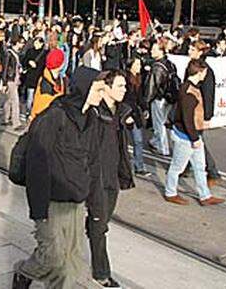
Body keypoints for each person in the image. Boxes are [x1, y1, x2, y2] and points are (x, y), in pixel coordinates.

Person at [13, 67, 106, 289]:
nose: (102, 94)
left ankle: (31, 273)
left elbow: (92, 163)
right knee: (54, 258)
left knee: (71, 260)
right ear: (84, 89)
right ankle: (24, 271)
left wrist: (96, 205)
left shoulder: (92, 118)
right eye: (99, 89)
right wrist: (39, 211)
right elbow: (37, 164)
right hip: (51, 200)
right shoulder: (54, 116)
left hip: (75, 201)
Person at [87, 70, 135, 287]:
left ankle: (90, 229)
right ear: (105, 88)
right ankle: (101, 273)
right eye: (120, 86)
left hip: (113, 176)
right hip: (95, 178)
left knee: (101, 222)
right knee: (99, 226)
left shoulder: (121, 111)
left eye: (125, 86)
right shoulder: (94, 113)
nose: (124, 90)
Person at [164, 59, 225, 206]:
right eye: (204, 72)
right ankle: (170, 192)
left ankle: (205, 195)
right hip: (186, 137)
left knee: (199, 166)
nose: (206, 74)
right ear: (199, 72)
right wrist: (194, 138)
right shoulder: (188, 92)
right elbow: (187, 119)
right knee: (177, 167)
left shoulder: (189, 88)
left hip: (191, 135)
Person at [144, 39, 177, 156]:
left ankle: (163, 148)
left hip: (159, 98)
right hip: (169, 97)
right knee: (162, 122)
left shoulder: (157, 67)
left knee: (159, 123)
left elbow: (152, 86)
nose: (151, 51)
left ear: (161, 51)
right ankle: (155, 141)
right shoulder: (170, 63)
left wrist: (146, 102)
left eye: (154, 49)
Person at [124, 57, 151, 176]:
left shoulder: (139, 78)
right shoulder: (125, 78)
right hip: (127, 113)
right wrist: (126, 114)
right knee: (124, 140)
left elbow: (140, 96)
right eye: (137, 64)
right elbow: (124, 99)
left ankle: (139, 166)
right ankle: (124, 166)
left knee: (138, 140)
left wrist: (145, 108)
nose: (140, 66)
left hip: (136, 113)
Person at [29, 48, 66, 121]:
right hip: (43, 122)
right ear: (60, 64)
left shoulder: (59, 79)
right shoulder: (45, 83)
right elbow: (43, 108)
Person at [1, 37, 25, 130]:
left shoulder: (15, 54)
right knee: (15, 101)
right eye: (21, 43)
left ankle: (5, 118)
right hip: (11, 79)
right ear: (17, 43)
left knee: (9, 100)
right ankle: (16, 123)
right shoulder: (9, 54)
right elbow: (6, 68)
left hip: (14, 79)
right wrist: (4, 81)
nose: (23, 45)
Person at [21, 37, 47, 115]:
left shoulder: (44, 53)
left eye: (37, 43)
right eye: (35, 43)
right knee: (30, 95)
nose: (35, 45)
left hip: (39, 77)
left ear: (41, 44)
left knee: (36, 96)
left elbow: (44, 66)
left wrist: (37, 65)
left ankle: (33, 110)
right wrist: (29, 62)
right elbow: (24, 61)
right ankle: (28, 111)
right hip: (30, 77)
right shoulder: (30, 51)